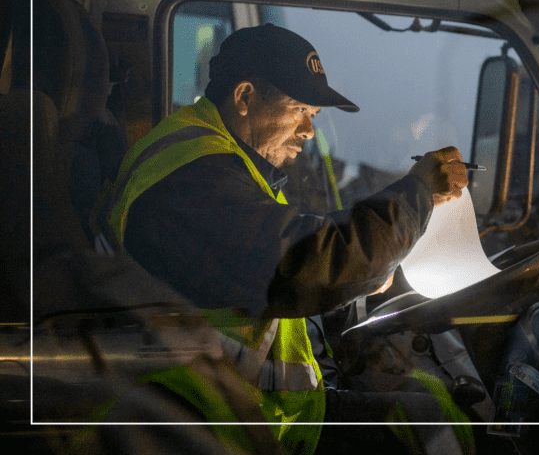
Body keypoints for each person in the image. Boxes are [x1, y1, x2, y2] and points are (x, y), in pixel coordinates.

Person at [102, 24, 470, 454]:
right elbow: (297, 265)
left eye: (313, 116)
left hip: (250, 406)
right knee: (426, 431)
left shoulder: (221, 160)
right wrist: (419, 194)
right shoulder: (191, 179)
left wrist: (362, 279)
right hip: (204, 424)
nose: (309, 131)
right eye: (299, 109)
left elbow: (273, 259)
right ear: (244, 98)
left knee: (424, 412)